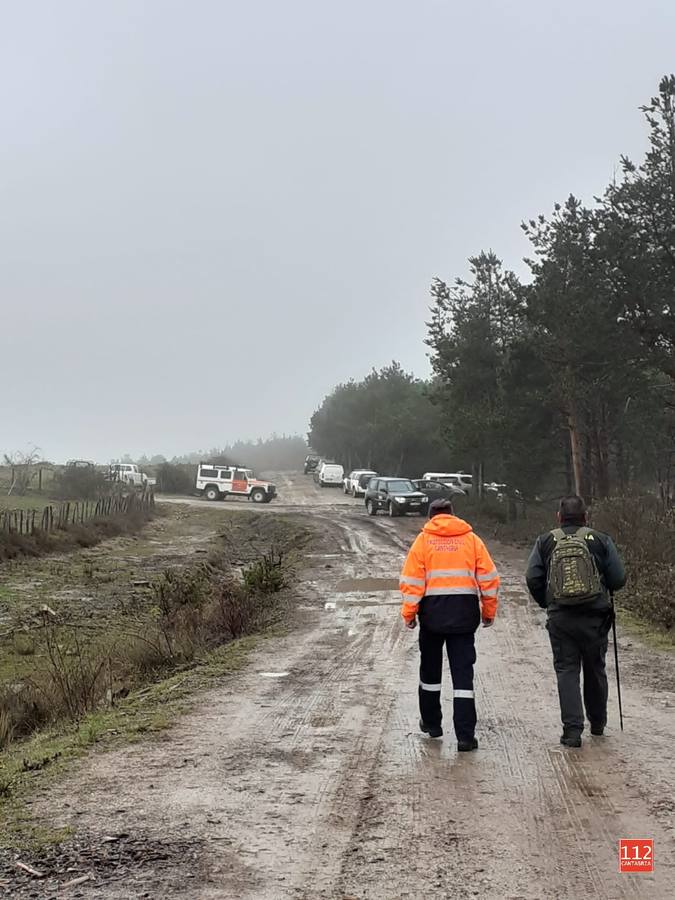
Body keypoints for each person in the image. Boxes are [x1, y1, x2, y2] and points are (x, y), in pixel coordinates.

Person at [525, 495, 626, 748]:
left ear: (559, 517)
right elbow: (618, 579)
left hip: (561, 618)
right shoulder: (600, 539)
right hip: (595, 617)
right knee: (595, 668)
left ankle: (572, 732)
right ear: (585, 517)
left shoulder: (546, 541)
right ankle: (598, 723)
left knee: (567, 670)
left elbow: (532, 577)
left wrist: (547, 602)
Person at [399, 498, 500, 751]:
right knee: (463, 677)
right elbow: (488, 579)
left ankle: (432, 724)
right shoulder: (472, 540)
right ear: (453, 515)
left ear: (431, 517)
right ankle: (465, 736)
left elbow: (412, 582)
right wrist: (489, 611)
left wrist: (409, 614)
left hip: (432, 617)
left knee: (430, 673)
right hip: (464, 617)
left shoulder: (423, 542)